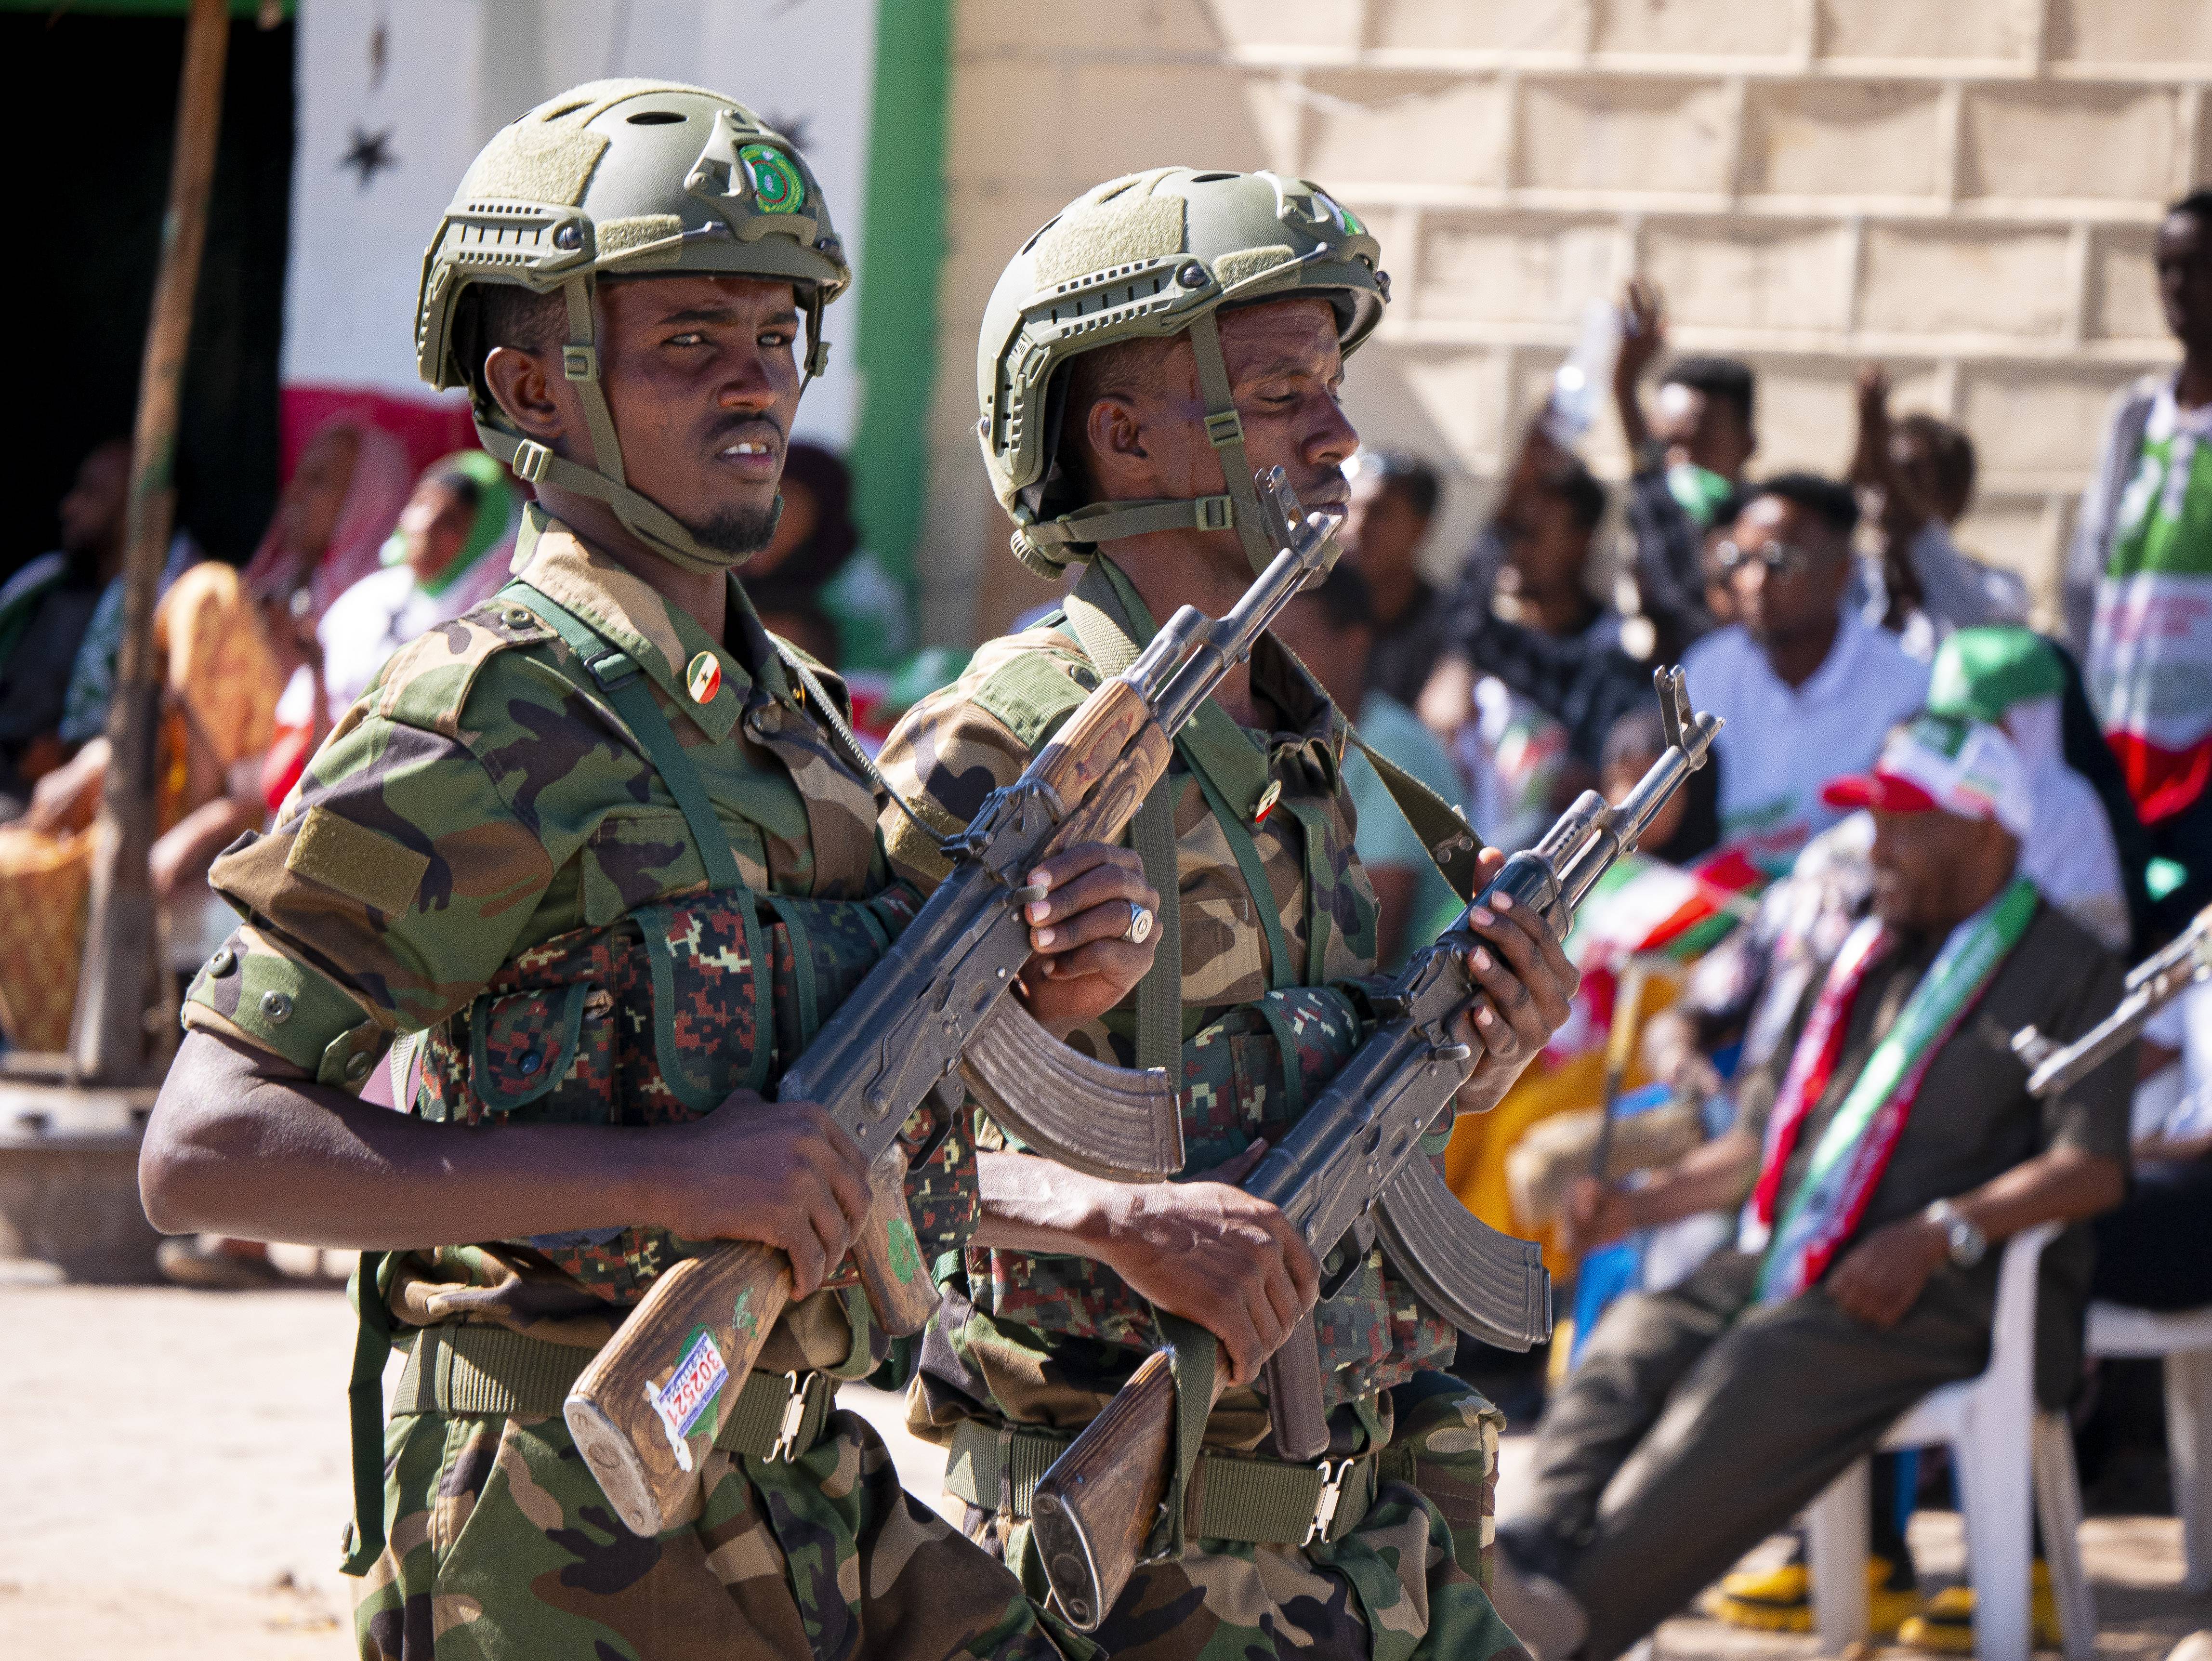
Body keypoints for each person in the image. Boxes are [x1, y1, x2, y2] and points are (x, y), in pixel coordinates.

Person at [141, 81, 1156, 1661]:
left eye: (776, 332)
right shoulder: (486, 711)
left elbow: (854, 1101)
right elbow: (207, 1149)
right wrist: (664, 1180)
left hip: (791, 1469)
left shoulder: (790, 718)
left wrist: (1049, 982)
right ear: (535, 385)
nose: (756, 379)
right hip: (563, 1525)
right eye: (691, 336)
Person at [879, 164, 1578, 1661]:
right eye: (1276, 395)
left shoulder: (1298, 732)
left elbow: (1278, 1087)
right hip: (1138, 1555)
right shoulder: (1006, 747)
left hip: (1373, 1518)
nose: (1339, 435)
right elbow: (825, 1146)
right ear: (1123, 436)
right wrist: (1112, 1217)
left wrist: (1478, 1054)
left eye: (1332, 384)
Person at [1490, 714, 2132, 1661]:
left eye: (1906, 822)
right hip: (1795, 1259)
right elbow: (1762, 1144)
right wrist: (1637, 1206)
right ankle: (1522, 1569)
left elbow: (2092, 1165)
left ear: (1987, 829)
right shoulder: (1866, 957)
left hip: (1957, 1290)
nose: (1877, 845)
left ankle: (1570, 1622)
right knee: (1633, 1336)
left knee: (1747, 1374)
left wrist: (1941, 1228)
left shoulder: (2072, 966)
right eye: (1876, 819)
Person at [0, 557, 283, 1053]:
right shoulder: (175, 693)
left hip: (200, 861)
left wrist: (179, 843)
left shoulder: (242, 693)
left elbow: (245, 803)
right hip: (124, 840)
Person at [2067, 188, 2212, 932]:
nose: (2181, 288)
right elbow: (2087, 580)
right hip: (2125, 744)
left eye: (2200, 267)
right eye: (2168, 269)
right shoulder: (2135, 419)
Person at [1683, 474, 1930, 869]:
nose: (1754, 582)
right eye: (1741, 560)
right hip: (1717, 909)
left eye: (1779, 562)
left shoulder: (1905, 687)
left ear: (1839, 573)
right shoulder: (1708, 670)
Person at [261, 449, 519, 808]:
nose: (426, 525)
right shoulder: (373, 594)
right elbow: (300, 713)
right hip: (301, 776)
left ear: (483, 539)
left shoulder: (477, 627)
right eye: (421, 505)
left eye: (451, 523)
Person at [1419, 427, 1651, 792]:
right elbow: (1461, 610)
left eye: (1532, 533)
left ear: (1581, 542)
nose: (1514, 550)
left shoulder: (1619, 650)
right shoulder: (1490, 641)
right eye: (1511, 532)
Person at [1270, 563, 1465, 968]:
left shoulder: (1392, 745)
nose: (1267, 666)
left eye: (1290, 646)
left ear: (1354, 645)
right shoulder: (1305, 745)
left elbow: (1369, 940)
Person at [1611, 278, 1758, 662]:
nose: (1682, 460)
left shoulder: (1761, 526)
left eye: (1702, 444)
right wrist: (1624, 379)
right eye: (1670, 446)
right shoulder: (1657, 505)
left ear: (1747, 445)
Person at [1846, 368, 2028, 654]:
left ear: (1955, 497)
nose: (1885, 502)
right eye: (1879, 481)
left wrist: (1875, 438)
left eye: (1909, 479)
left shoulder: (1999, 589)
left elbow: (1976, 617)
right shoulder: (1848, 585)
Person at [0, 440, 128, 816]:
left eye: (92, 494)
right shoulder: (45, 588)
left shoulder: (159, 608)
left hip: (55, 797)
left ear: (132, 512)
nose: (69, 507)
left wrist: (69, 754)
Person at [237, 414, 413, 626]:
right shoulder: (272, 588)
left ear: (367, 503)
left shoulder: (383, 618)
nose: (294, 492)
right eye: (299, 475)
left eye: (318, 480)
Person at [1339, 448, 1446, 707]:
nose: (1358, 527)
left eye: (1380, 513)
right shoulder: (1306, 597)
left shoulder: (1448, 628)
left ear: (1420, 529)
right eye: (1353, 508)